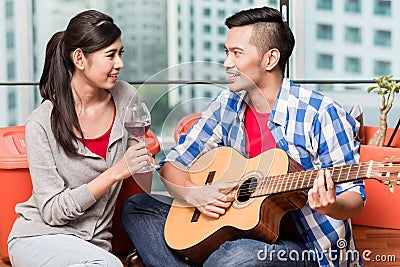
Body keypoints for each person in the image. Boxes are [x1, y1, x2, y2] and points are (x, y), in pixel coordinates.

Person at [121, 6, 366, 267]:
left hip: (304, 249)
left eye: (236, 53)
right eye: (227, 52)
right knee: (138, 208)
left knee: (232, 258)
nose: (227, 63)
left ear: (270, 59)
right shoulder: (227, 104)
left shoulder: (321, 113)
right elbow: (172, 165)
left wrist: (331, 206)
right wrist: (196, 193)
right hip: (235, 229)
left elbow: (354, 198)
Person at [7, 10, 150, 267]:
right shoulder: (41, 123)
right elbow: (51, 212)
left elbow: (138, 157)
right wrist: (115, 172)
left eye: (121, 53)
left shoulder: (126, 96)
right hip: (39, 237)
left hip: (93, 246)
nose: (120, 63)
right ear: (80, 59)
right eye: (111, 55)